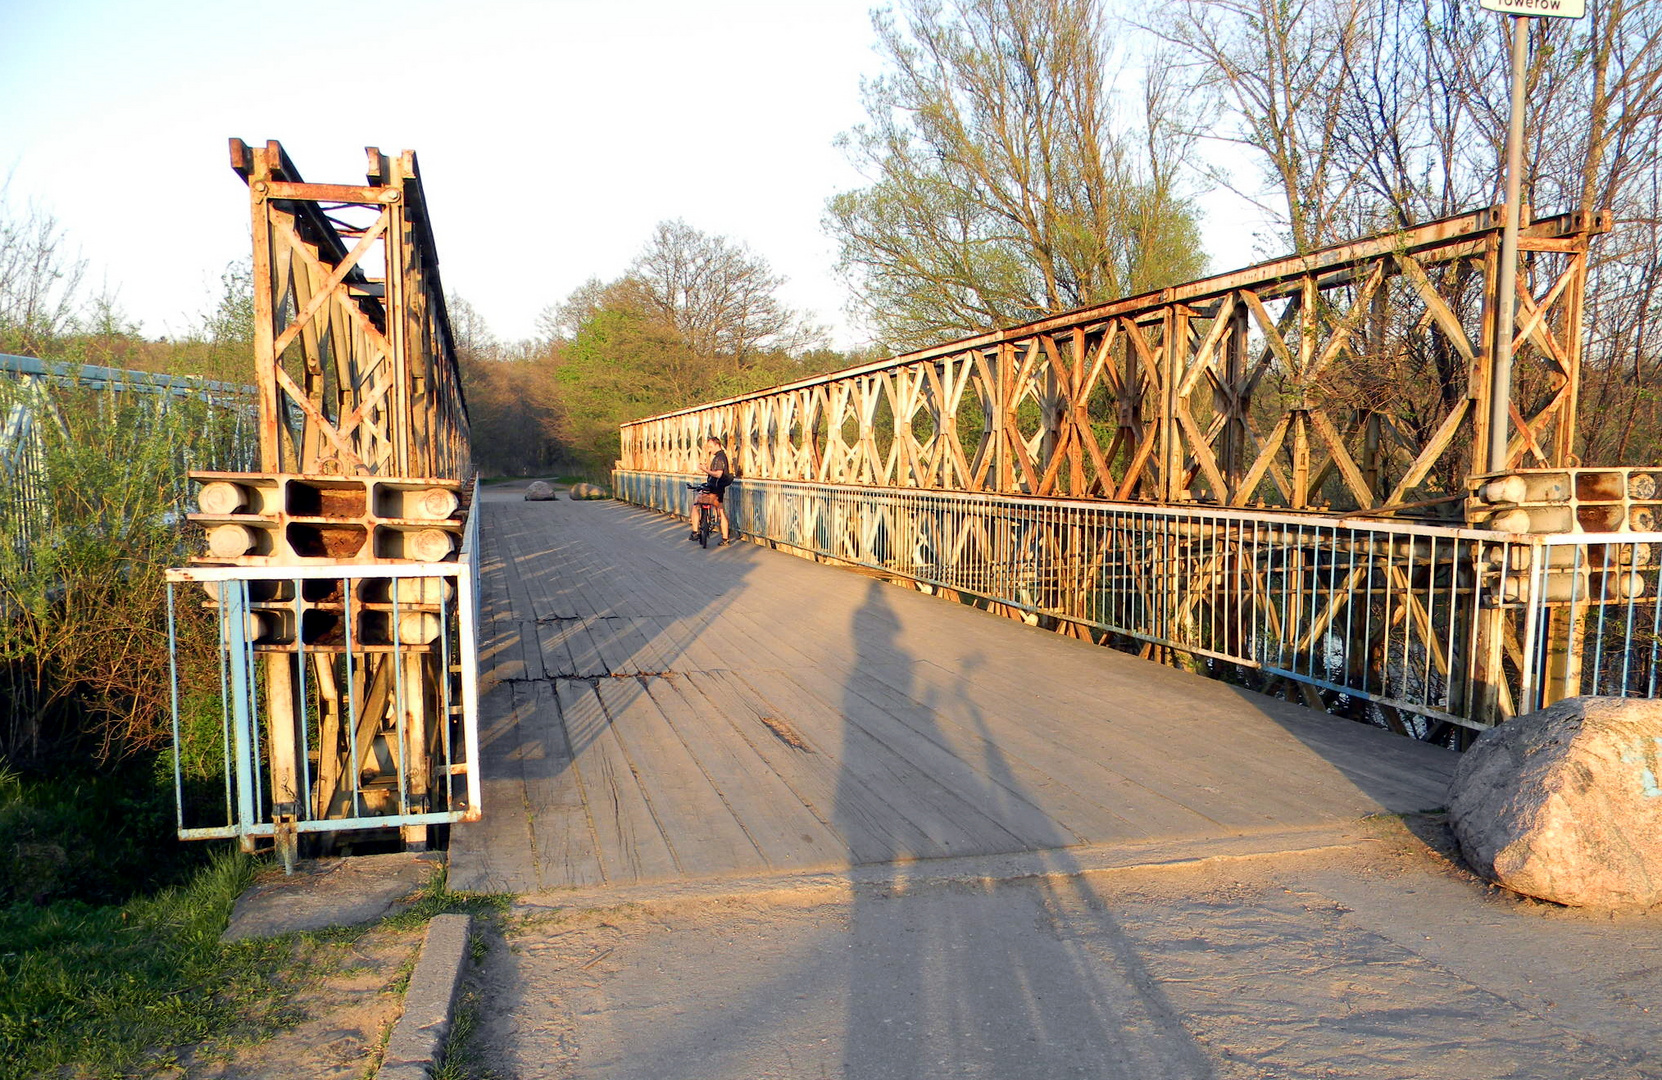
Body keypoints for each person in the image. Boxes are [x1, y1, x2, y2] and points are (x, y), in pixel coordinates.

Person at [690, 435, 733, 545]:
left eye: (710, 447)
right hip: (719, 489)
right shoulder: (722, 457)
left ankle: (695, 532)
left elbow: (718, 474)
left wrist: (705, 470)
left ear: (717, 445)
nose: (709, 449)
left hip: (713, 488)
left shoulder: (719, 458)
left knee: (696, 504)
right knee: (720, 510)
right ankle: (725, 538)